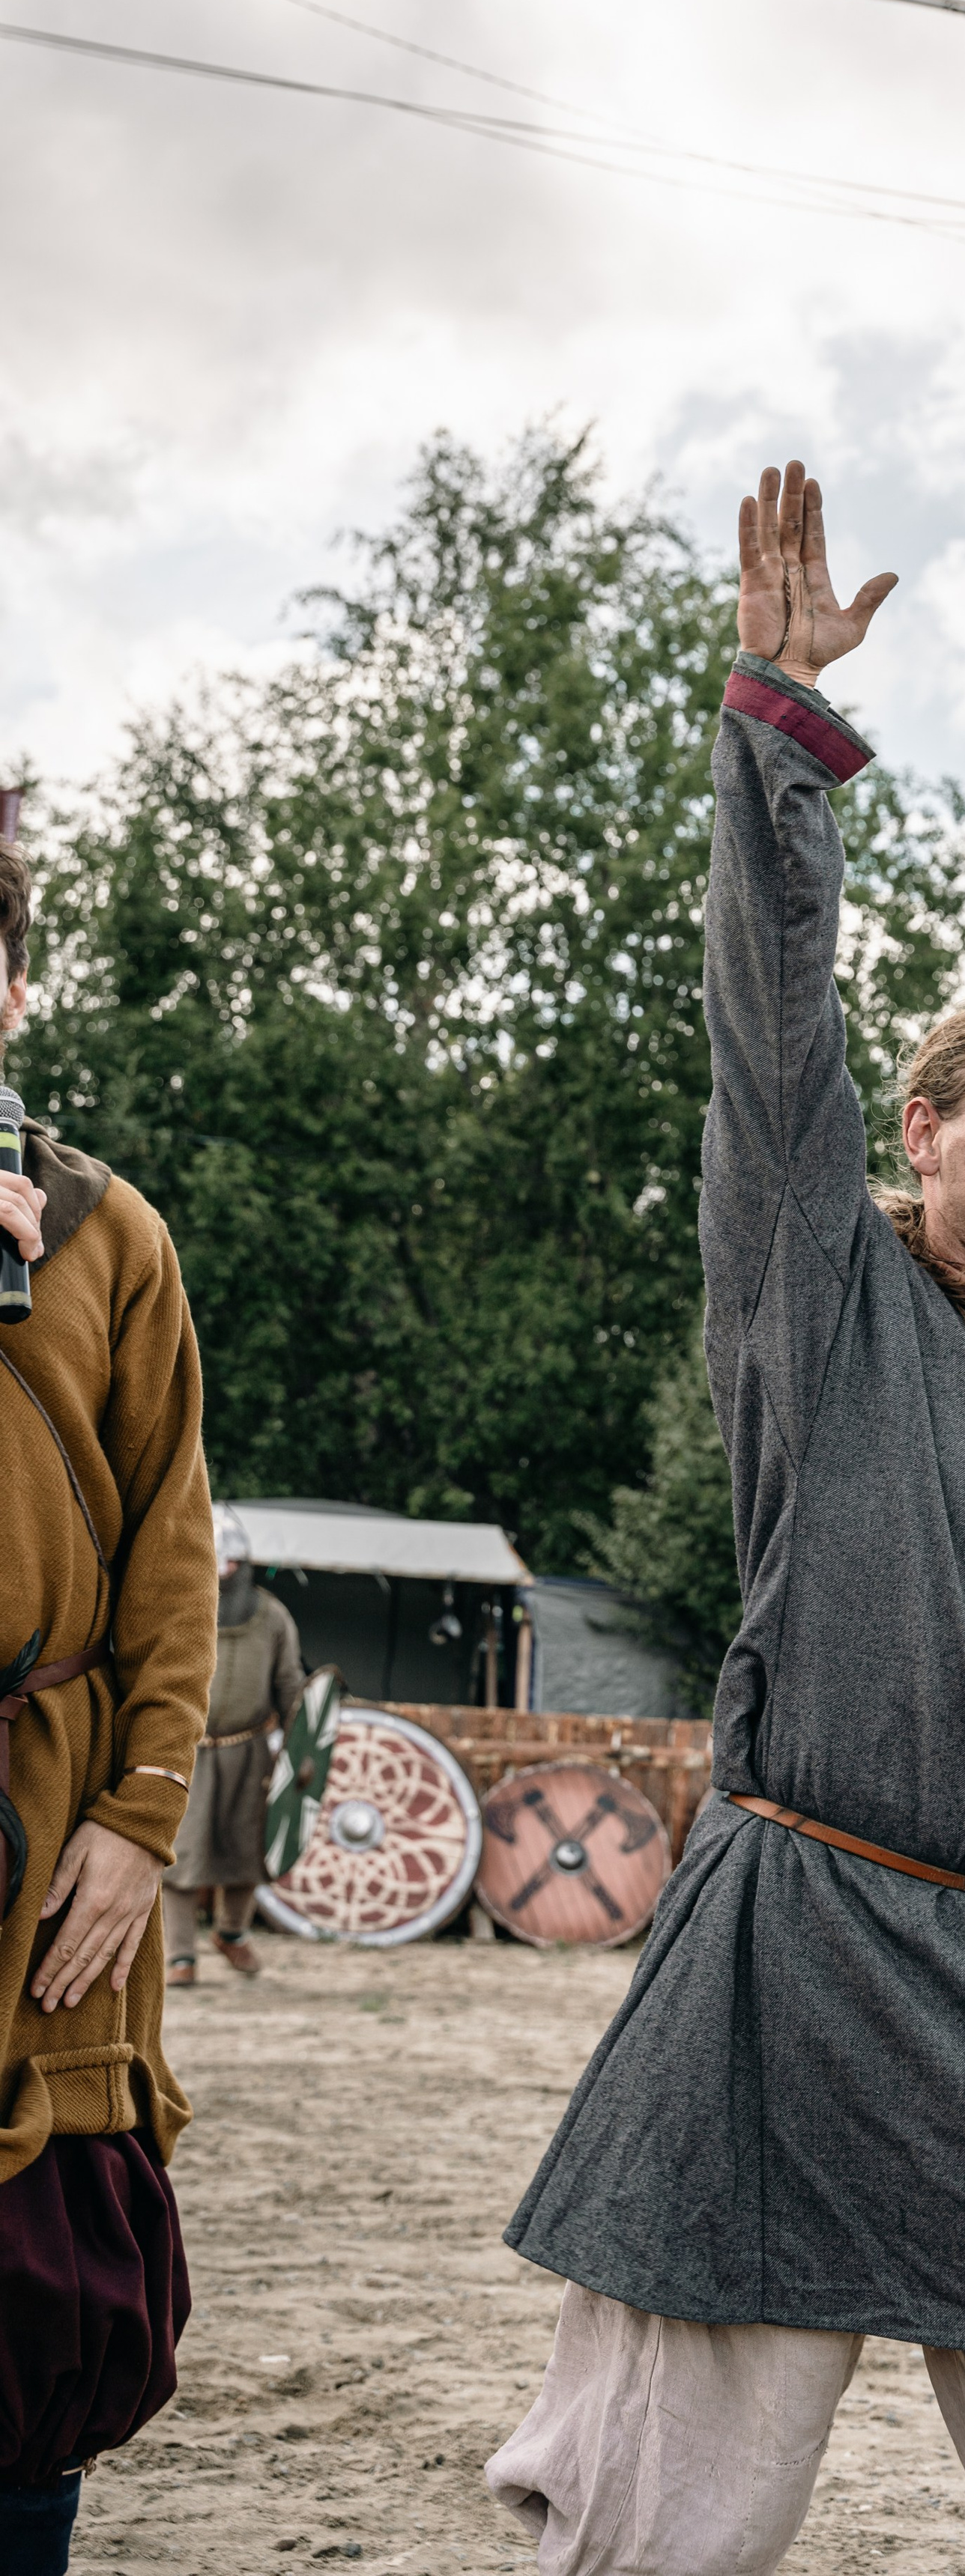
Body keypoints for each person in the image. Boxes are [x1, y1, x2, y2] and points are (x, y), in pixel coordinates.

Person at [488, 464, 965, 2576]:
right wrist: (778, 730)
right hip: (792, 1990)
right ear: (917, 1139)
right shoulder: (819, 1296)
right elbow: (768, 1026)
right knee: (645, 2547)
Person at [0, 841, 217, 2571]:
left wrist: (143, 1820)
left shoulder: (106, 1230)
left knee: (34, 2313)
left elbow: (170, 1548)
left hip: (50, 1815)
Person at [160, 1507, 306, 1983]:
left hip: (250, 1751)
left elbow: (289, 1685)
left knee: (248, 1849)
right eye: (220, 1563)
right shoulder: (181, 1606)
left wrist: (302, 1748)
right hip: (190, 1751)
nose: (226, 1574)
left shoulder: (273, 1617)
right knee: (181, 1855)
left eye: (234, 1564)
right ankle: (181, 1956)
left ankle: (233, 1933)